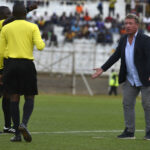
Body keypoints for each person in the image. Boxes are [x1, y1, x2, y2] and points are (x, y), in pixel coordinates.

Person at [92, 13, 150, 140]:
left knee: (147, 104)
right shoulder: (123, 39)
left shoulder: (145, 39)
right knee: (127, 103)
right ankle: (129, 132)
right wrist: (102, 68)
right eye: (126, 23)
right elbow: (116, 56)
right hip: (130, 78)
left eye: (130, 23)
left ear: (137, 25)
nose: (127, 26)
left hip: (146, 78)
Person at [0, 2, 45, 142]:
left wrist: (3, 68)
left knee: (13, 97)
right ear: (25, 14)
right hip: (27, 64)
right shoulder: (32, 27)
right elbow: (40, 46)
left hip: (11, 64)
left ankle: (17, 135)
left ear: (13, 14)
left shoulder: (5, 28)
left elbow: (1, 51)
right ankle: (23, 124)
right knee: (29, 96)